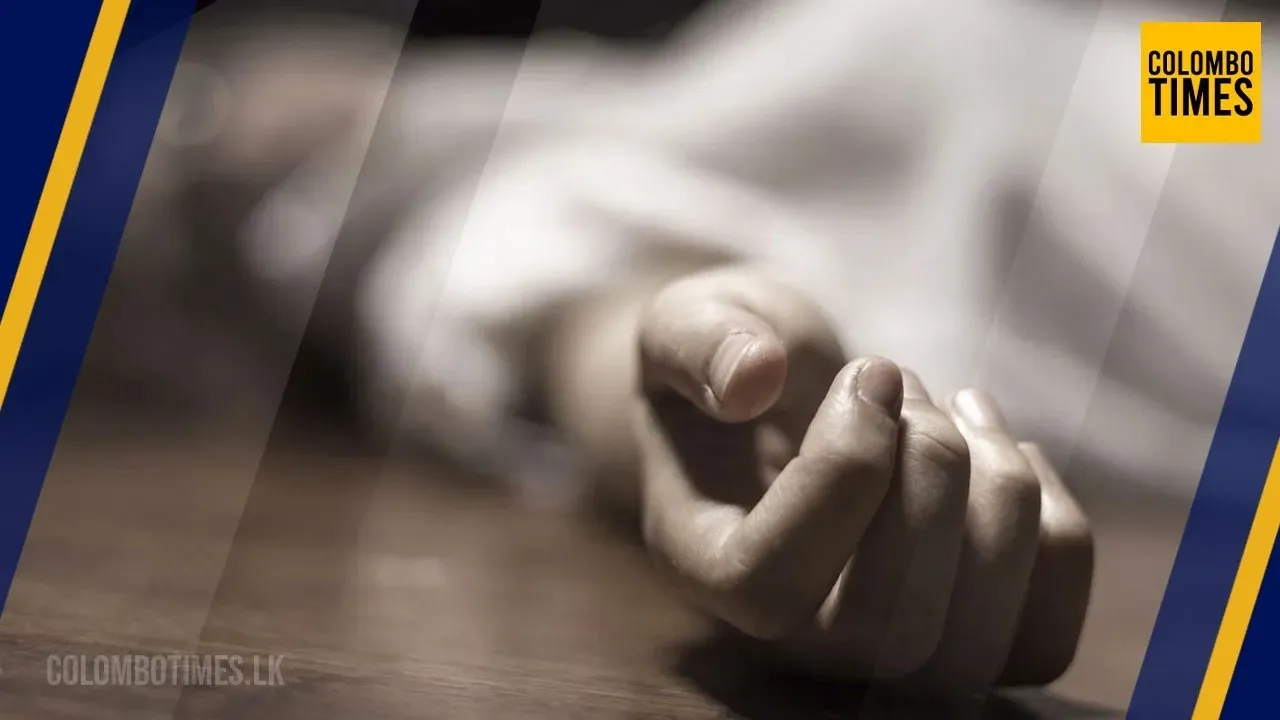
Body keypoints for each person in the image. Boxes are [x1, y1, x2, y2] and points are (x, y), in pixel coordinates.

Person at [102, 0, 1277, 698]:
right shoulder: (475, 223)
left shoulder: (702, 79)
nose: (244, 103)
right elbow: (591, 308)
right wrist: (683, 401)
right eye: (193, 135)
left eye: (207, 77)